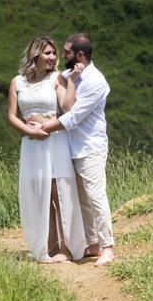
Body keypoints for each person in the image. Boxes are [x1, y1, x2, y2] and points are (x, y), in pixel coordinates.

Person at [7, 36, 87, 263]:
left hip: (54, 141)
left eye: (54, 53)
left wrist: (72, 80)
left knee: (57, 193)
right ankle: (49, 247)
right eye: (48, 53)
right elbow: (12, 116)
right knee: (39, 193)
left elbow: (67, 108)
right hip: (31, 144)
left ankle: (67, 248)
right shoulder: (17, 82)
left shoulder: (58, 78)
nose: (53, 58)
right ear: (35, 55)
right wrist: (28, 131)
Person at [41, 33, 115, 266]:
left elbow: (73, 116)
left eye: (67, 52)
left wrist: (43, 128)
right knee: (82, 199)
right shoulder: (67, 75)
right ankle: (92, 243)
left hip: (91, 147)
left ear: (80, 55)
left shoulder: (96, 81)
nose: (62, 55)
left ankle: (108, 247)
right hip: (71, 148)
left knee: (96, 197)